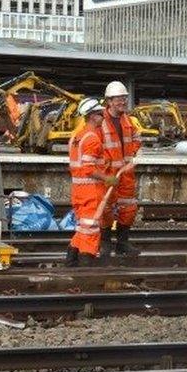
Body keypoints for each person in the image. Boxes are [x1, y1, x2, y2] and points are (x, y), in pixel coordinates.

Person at [66, 98, 130, 267]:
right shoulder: (92, 139)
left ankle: (71, 260)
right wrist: (108, 178)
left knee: (83, 227)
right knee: (92, 229)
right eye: (101, 114)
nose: (103, 117)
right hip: (91, 192)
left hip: (78, 190)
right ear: (93, 116)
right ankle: (86, 263)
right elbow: (88, 168)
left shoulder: (76, 137)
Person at [99, 81, 142, 256]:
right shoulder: (100, 120)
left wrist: (134, 156)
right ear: (109, 101)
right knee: (106, 209)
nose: (123, 101)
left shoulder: (129, 121)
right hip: (108, 174)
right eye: (119, 99)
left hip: (126, 173)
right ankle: (105, 243)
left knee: (129, 209)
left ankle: (123, 243)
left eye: (124, 98)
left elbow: (137, 138)